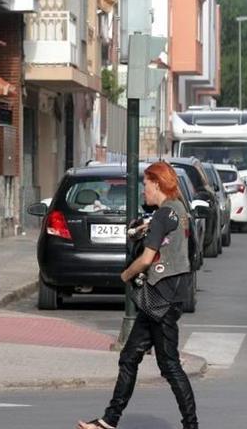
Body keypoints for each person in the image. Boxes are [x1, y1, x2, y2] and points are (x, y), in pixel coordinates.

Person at [77, 161, 198, 429]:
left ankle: (191, 425)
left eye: (146, 185)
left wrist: (124, 276)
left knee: (170, 366)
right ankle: (109, 421)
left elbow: (144, 260)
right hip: (168, 297)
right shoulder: (179, 210)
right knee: (129, 357)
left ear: (157, 184)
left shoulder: (164, 214)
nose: (144, 190)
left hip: (160, 299)